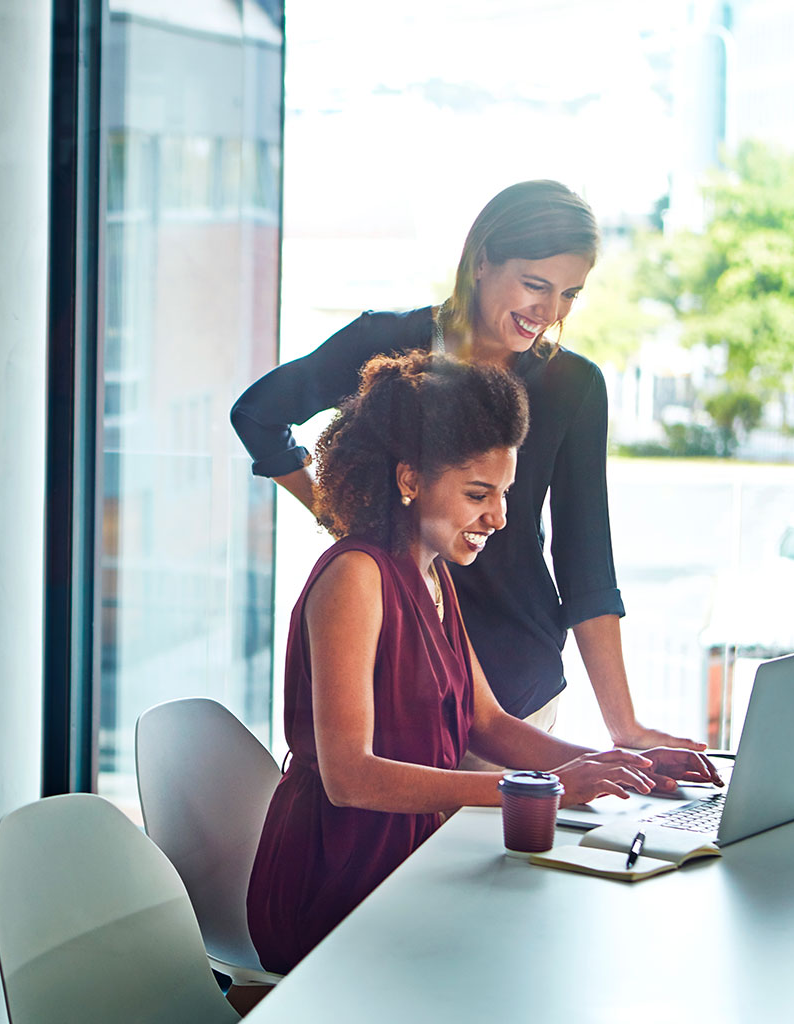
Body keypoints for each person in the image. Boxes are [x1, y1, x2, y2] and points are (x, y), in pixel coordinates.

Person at [244, 352, 721, 974]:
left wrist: (613, 765)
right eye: (479, 494)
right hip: (333, 881)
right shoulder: (357, 577)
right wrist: (540, 791)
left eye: (504, 494)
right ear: (410, 478)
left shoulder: (431, 571)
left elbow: (487, 723)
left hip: (409, 856)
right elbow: (350, 777)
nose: (498, 517)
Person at [231, 179, 701, 756]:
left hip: (512, 678)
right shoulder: (387, 344)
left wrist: (624, 729)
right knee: (386, 834)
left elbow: (586, 566)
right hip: (392, 657)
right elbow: (258, 416)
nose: (549, 312)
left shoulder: (572, 386)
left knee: (495, 846)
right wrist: (346, 517)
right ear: (482, 262)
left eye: (570, 294)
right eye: (535, 285)